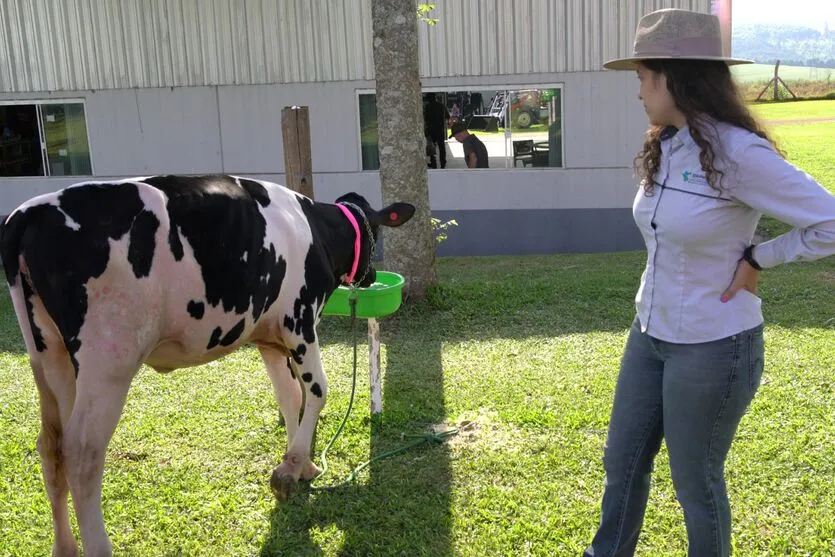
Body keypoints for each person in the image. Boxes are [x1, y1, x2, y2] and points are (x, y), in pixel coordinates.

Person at [584, 8, 835, 557]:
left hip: (714, 346)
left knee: (695, 484)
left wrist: (760, 259)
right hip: (649, 334)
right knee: (621, 463)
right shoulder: (668, 143)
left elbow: (829, 220)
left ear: (673, 77)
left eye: (642, 78)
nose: (639, 92)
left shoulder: (739, 152)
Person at [423, 94, 449, 168]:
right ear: (436, 98)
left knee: (432, 146)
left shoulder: (427, 107)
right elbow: (447, 116)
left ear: (429, 100)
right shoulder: (441, 106)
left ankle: (433, 162)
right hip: (440, 130)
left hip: (431, 130)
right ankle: (443, 163)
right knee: (442, 147)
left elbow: (425, 118)